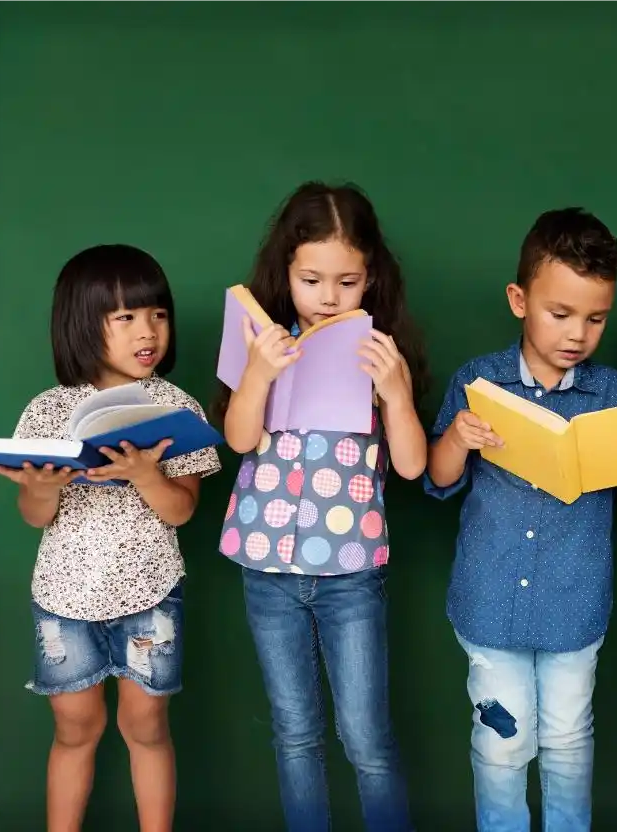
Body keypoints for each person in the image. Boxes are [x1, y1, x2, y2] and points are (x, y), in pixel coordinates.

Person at [424, 207, 617, 832]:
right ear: (519, 300)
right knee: (501, 742)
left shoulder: (616, 396)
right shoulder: (479, 381)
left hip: (575, 605)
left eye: (596, 318)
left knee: (569, 741)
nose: (578, 332)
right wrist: (460, 440)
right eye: (561, 313)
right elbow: (438, 480)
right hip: (490, 603)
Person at [0, 244, 221, 832]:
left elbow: (181, 511)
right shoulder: (48, 411)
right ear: (81, 323)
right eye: (125, 318)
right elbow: (35, 515)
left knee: (146, 726)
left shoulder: (175, 407)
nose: (148, 331)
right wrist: (40, 487)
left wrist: (147, 473)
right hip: (64, 597)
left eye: (157, 315)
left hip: (151, 592)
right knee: (74, 728)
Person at [217, 182, 426, 831]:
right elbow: (240, 440)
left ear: (372, 279)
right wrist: (257, 374)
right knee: (295, 734)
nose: (329, 296)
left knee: (366, 738)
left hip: (350, 573)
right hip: (268, 568)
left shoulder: (379, 353)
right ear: (286, 271)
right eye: (312, 279)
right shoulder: (265, 344)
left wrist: (396, 394)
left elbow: (415, 465)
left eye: (348, 281)